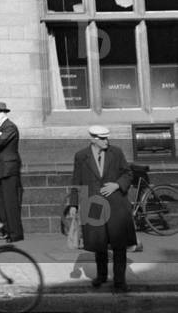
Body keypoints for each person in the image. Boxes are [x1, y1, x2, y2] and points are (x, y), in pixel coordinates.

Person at [70, 125, 136, 293]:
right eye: (102, 138)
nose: (107, 141)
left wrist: (117, 185)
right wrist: (73, 204)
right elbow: (76, 181)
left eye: (107, 138)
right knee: (99, 242)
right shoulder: (81, 156)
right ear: (93, 139)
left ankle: (120, 282)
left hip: (116, 204)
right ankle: (101, 275)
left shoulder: (117, 152)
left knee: (119, 243)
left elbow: (128, 173)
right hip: (93, 204)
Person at [0, 101, 24, 241]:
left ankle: (15, 234)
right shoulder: (1, 127)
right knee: (2, 204)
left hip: (8, 170)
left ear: (3, 113)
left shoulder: (10, 127)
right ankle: (7, 230)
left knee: (10, 204)